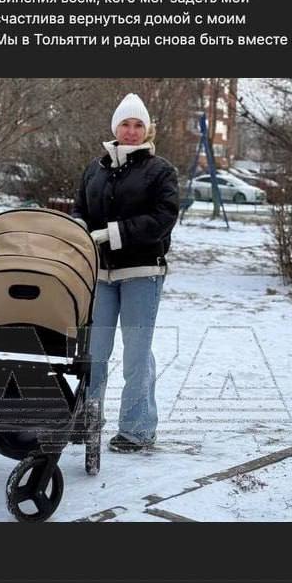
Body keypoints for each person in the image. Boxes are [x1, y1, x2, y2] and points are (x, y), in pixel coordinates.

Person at [72, 92, 179, 452]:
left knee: (136, 355)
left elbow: (163, 218)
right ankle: (86, 419)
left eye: (138, 125)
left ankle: (137, 430)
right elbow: (80, 208)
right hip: (100, 274)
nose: (131, 131)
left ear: (146, 130)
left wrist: (113, 233)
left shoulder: (160, 170)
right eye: (125, 124)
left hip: (141, 272)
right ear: (115, 127)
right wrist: (78, 227)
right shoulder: (95, 168)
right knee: (93, 352)